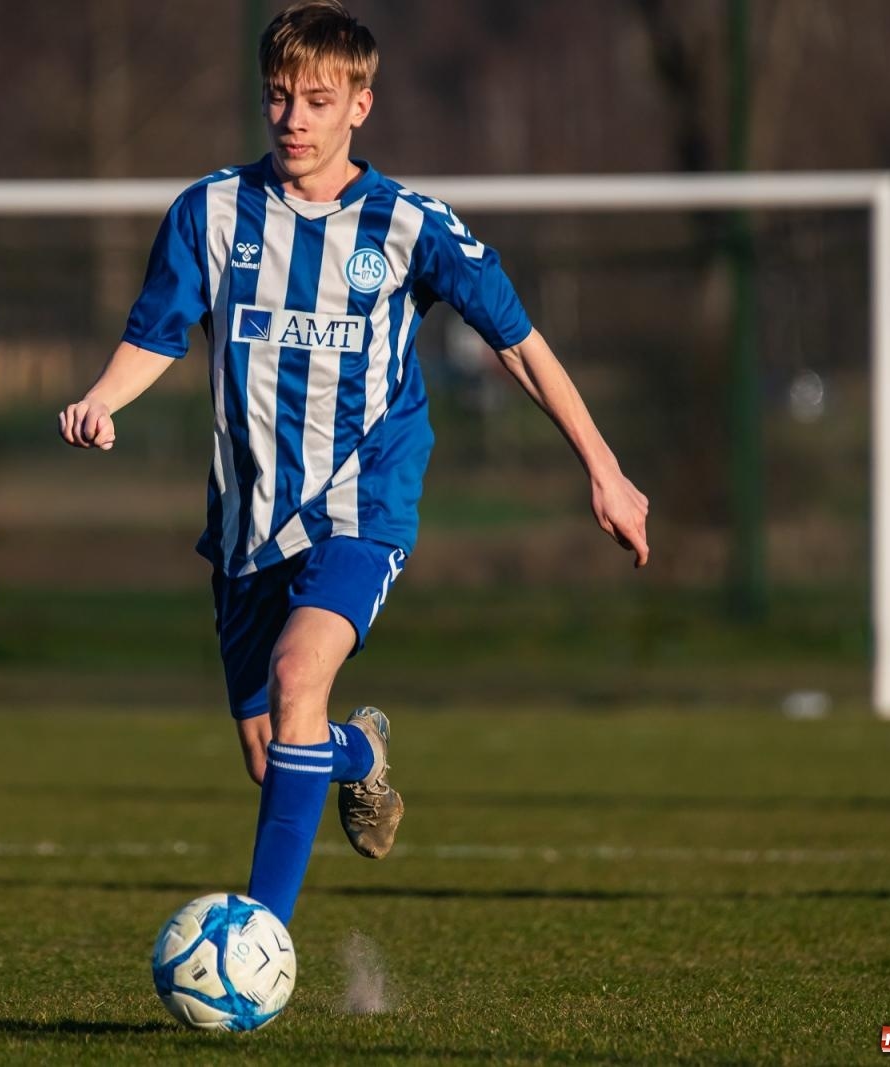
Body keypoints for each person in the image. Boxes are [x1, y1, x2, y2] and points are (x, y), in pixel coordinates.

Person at [58, 0, 649, 926]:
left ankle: (259, 938)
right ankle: (362, 754)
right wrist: (101, 397)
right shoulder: (210, 212)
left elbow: (520, 343)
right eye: (279, 98)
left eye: (318, 100)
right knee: (272, 750)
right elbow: (156, 335)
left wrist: (604, 468)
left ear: (361, 106)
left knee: (299, 679)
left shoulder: (411, 225)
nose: (294, 118)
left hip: (361, 499)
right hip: (249, 517)